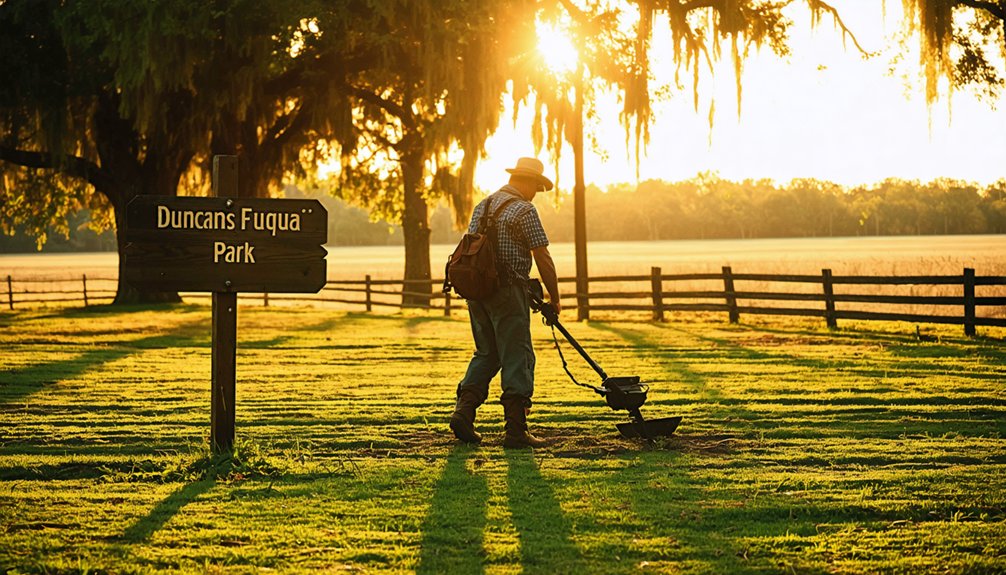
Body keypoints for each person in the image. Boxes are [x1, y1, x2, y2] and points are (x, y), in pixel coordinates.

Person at [450, 157, 561, 449]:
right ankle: (516, 431)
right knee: (517, 355)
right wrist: (555, 297)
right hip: (507, 291)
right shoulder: (524, 209)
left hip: (477, 292)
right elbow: (543, 257)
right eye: (536, 186)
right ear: (526, 182)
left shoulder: (482, 206)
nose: (536, 192)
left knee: (486, 353)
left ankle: (464, 412)